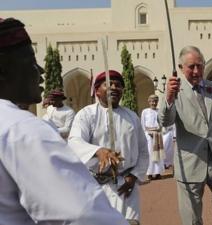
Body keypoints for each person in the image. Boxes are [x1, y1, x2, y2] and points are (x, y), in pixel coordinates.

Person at [0, 17, 130, 225]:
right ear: (4, 69)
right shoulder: (21, 130)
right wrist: (97, 151)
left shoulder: (130, 116)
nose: (41, 72)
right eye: (32, 61)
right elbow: (84, 215)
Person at [158, 45, 212, 225]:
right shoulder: (174, 92)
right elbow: (165, 122)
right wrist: (168, 99)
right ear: (181, 68)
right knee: (191, 219)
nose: (197, 71)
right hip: (190, 164)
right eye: (191, 67)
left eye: (200, 65)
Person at [68, 70, 149, 225]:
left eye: (118, 85)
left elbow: (144, 151)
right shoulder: (86, 115)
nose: (114, 87)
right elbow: (74, 142)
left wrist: (134, 176)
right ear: (97, 91)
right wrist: (98, 151)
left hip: (126, 187)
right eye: (108, 84)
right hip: (96, 187)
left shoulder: (132, 117)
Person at [141, 94, 165, 180]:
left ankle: (158, 173)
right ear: (149, 102)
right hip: (148, 136)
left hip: (158, 135)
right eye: (152, 101)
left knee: (158, 154)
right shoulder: (145, 111)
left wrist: (158, 131)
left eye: (155, 101)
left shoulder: (159, 111)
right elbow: (143, 124)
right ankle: (150, 173)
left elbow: (162, 123)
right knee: (150, 154)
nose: (154, 103)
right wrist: (147, 133)